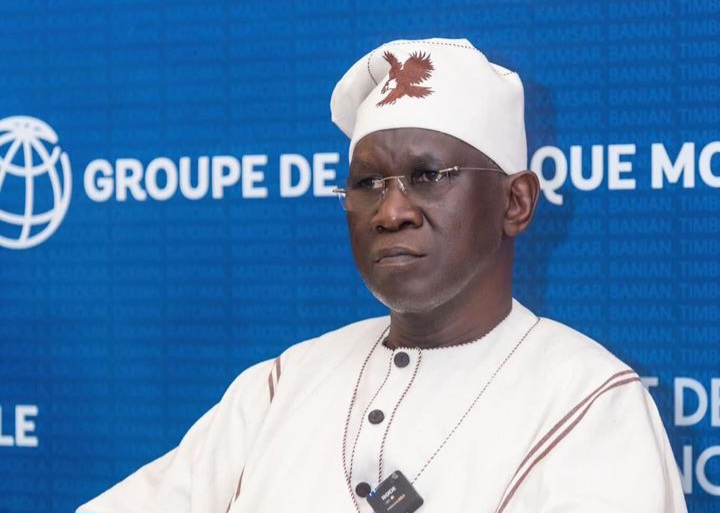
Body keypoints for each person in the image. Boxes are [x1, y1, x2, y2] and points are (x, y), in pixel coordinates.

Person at [77, 37, 687, 513]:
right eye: (368, 183)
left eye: (429, 176)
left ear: (516, 202)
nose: (391, 211)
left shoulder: (587, 403)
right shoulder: (281, 385)